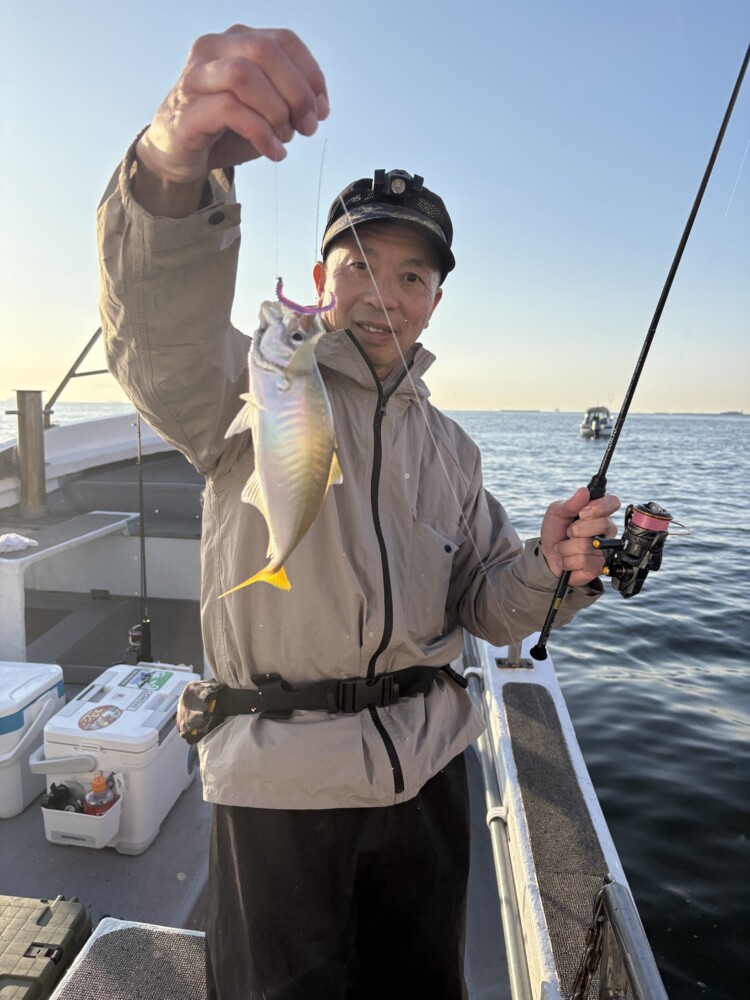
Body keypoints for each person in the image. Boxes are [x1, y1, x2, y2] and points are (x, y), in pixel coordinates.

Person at [97, 25, 621, 1000]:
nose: (387, 293)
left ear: (435, 300)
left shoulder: (454, 450)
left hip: (426, 787)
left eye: (413, 275)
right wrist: (173, 160)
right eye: (361, 265)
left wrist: (555, 567)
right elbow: (157, 328)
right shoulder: (254, 391)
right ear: (323, 277)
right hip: (278, 791)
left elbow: (489, 602)